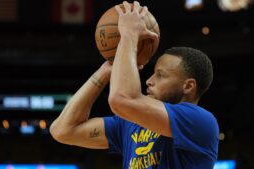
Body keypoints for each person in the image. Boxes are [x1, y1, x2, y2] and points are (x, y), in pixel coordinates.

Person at [50, 1, 219, 169]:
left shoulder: (199, 122)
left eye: (160, 75)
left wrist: (129, 35)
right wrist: (105, 70)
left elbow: (121, 99)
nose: (149, 80)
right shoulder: (130, 123)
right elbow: (62, 130)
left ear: (188, 86)